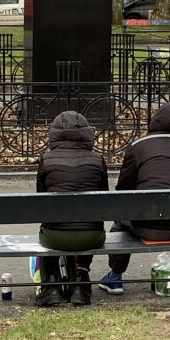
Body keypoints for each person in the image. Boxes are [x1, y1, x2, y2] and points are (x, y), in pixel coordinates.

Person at [99, 101, 170, 295]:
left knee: (121, 221)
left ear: (155, 121)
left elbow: (124, 188)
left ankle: (115, 277)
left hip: (147, 227)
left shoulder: (138, 146)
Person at [35, 110, 109, 306]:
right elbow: (104, 201)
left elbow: (41, 203)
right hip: (91, 237)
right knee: (89, 225)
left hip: (54, 236)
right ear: (87, 134)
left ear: (54, 134)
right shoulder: (98, 160)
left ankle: (50, 285)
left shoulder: (46, 160)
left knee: (48, 227)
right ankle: (81, 280)